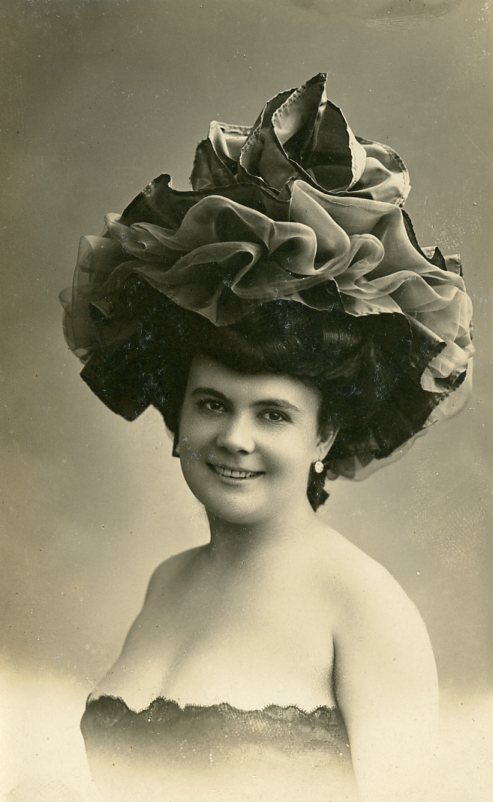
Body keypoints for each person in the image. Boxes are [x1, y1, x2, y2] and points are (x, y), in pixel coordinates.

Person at [61, 74, 474, 802]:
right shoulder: (167, 582)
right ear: (178, 415)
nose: (234, 438)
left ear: (325, 436)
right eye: (211, 404)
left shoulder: (365, 609)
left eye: (274, 414)